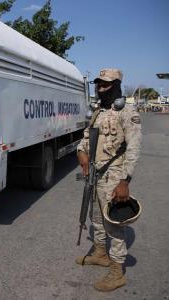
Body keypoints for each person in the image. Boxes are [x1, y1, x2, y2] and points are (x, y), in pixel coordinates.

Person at [76, 69, 142, 292]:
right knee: (95, 217)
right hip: (95, 174)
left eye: (105, 85)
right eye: (98, 84)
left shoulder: (127, 111)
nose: (100, 88)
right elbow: (86, 138)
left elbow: (133, 147)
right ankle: (101, 254)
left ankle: (117, 272)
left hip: (114, 175)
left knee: (113, 224)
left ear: (116, 85)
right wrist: (80, 152)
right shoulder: (98, 111)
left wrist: (125, 179)